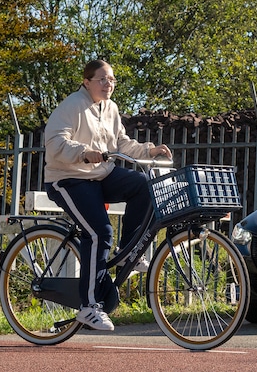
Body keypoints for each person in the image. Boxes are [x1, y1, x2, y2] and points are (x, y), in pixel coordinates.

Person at [43, 59, 173, 331]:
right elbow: (54, 142)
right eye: (102, 79)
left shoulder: (110, 108)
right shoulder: (73, 105)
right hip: (69, 179)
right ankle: (90, 306)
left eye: (112, 79)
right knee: (98, 233)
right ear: (86, 82)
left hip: (100, 174)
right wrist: (82, 152)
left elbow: (121, 143)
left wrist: (150, 150)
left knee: (142, 185)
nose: (108, 84)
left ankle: (127, 252)